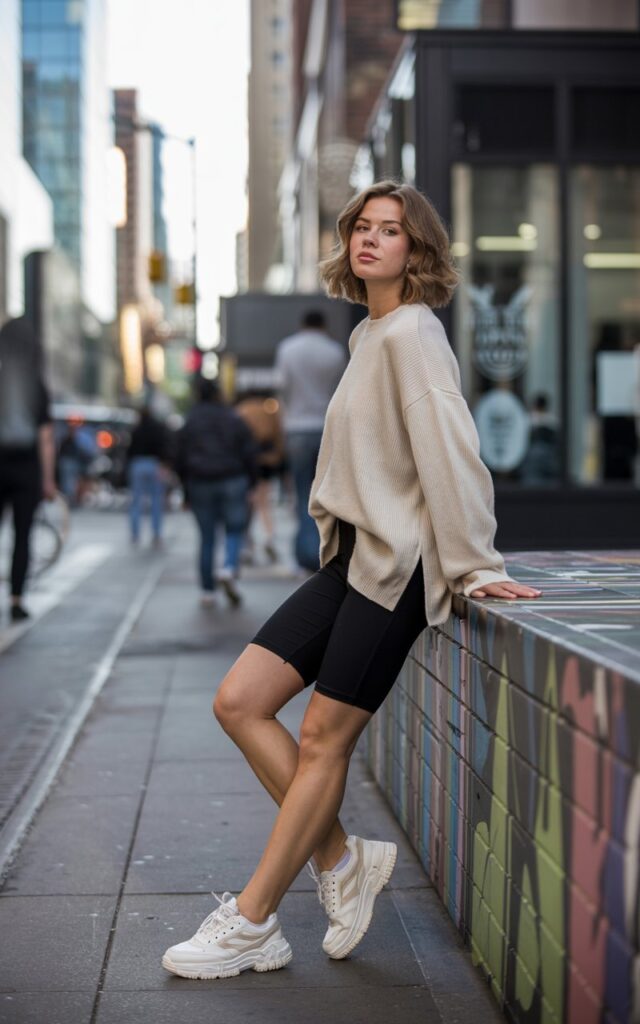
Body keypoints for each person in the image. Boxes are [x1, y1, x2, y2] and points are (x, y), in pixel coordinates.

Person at [162, 181, 542, 981]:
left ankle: (254, 918)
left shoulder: (412, 336)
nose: (371, 240)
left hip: (396, 570)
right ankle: (340, 862)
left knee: (322, 738)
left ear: (418, 249)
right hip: (351, 561)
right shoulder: (372, 335)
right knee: (238, 700)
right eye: (362, 228)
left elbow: (452, 449)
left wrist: (474, 565)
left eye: (391, 231)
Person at [176, 377, 257, 607]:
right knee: (234, 528)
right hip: (233, 478)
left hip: (199, 481)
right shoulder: (232, 418)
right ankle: (229, 567)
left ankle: (207, 590)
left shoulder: (190, 421)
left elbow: (179, 458)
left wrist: (185, 491)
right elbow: (248, 451)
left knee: (207, 538)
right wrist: (252, 482)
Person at [275, 310, 346, 571]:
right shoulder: (335, 351)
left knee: (302, 492)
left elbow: (282, 387)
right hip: (327, 427)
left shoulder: (287, 349)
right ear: (323, 324)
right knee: (328, 496)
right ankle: (323, 551)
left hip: (296, 428)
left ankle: (305, 554)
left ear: (302, 324)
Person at [0, 317, 56, 622]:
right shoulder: (35, 384)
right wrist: (48, 480)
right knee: (23, 536)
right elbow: (45, 439)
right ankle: (17, 598)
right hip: (26, 469)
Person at [235, 391, 285, 565]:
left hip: (247, 465)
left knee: (248, 505)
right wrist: (277, 458)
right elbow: (279, 438)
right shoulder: (269, 411)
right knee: (265, 504)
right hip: (266, 462)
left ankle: (248, 544)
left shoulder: (241, 411)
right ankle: (269, 537)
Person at [126, 405, 171, 548]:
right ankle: (156, 534)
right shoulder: (158, 428)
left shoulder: (136, 429)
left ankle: (135, 534)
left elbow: (130, 449)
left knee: (136, 501)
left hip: (138, 464)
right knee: (156, 502)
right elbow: (164, 446)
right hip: (154, 464)